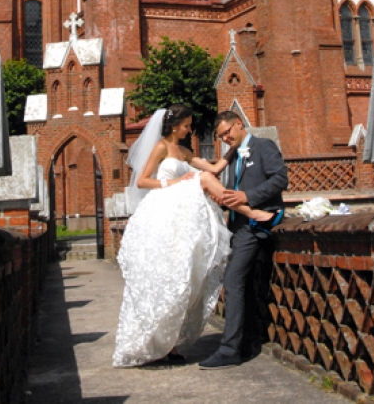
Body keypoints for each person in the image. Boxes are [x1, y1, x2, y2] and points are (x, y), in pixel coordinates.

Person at [113, 104, 254, 368]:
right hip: (164, 208)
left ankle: (170, 343)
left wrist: (237, 144)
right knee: (165, 276)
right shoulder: (162, 148)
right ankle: (249, 211)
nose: (190, 130)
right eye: (187, 125)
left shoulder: (185, 151)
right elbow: (143, 180)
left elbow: (214, 168)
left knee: (181, 278)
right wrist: (175, 182)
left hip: (181, 215)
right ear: (175, 126)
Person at [199, 111, 288, 370]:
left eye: (227, 132)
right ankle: (248, 341)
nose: (225, 138)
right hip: (238, 226)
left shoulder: (263, 146)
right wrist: (225, 200)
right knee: (244, 283)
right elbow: (232, 192)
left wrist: (247, 196)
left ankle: (230, 350)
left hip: (256, 224)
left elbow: (280, 179)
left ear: (239, 123)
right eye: (220, 136)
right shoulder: (233, 156)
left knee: (233, 279)